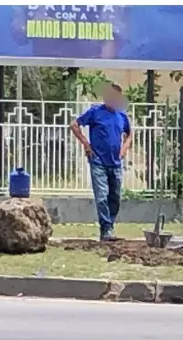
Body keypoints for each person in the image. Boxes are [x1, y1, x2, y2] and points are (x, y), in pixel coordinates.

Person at [70, 83, 133, 241]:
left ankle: (109, 226)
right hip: (98, 161)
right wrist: (86, 144)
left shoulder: (122, 116)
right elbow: (75, 125)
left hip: (116, 163)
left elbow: (130, 134)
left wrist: (125, 147)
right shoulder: (95, 112)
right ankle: (106, 230)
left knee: (115, 197)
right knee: (102, 197)